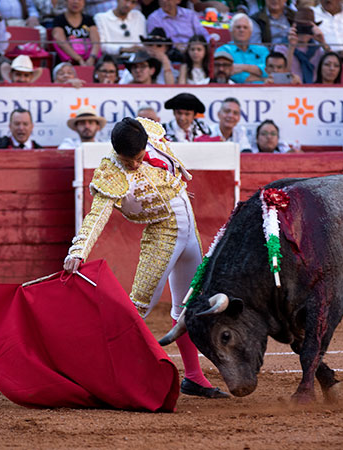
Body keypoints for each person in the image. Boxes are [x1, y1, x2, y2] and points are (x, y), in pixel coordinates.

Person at [63, 116, 230, 399]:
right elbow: (97, 216)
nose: (136, 165)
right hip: (163, 234)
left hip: (190, 228)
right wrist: (78, 251)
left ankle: (193, 377)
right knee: (137, 308)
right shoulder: (111, 173)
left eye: (139, 158)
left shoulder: (148, 130)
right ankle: (100, 373)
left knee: (188, 307)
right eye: (130, 161)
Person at [216, 13, 269, 84]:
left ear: (250, 32)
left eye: (245, 27)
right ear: (231, 31)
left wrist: (243, 67)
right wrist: (262, 78)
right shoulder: (223, 51)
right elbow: (235, 76)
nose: (242, 30)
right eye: (238, 27)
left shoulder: (262, 50)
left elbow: (270, 71)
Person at [279, 8, 327, 84]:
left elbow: (334, 63)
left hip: (314, 89)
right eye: (301, 28)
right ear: (293, 28)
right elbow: (281, 75)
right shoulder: (281, 47)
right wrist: (291, 47)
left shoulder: (318, 50)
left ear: (313, 29)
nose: (304, 32)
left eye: (307, 28)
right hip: (290, 88)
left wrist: (323, 42)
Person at [52, 0, 101, 66]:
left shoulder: (89, 19)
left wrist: (92, 58)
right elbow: (60, 41)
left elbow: (96, 42)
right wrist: (79, 59)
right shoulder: (59, 19)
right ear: (66, 2)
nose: (76, 2)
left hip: (90, 60)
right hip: (67, 62)